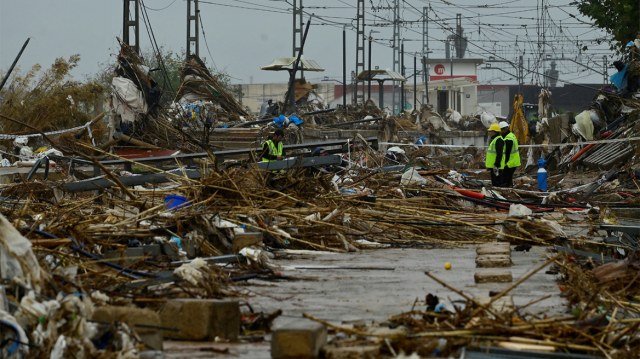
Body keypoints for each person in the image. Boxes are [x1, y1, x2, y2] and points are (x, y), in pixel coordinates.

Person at [499, 121, 520, 187]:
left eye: (501, 130)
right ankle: (510, 187)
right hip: (513, 161)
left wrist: (504, 164)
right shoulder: (511, 135)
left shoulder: (508, 139)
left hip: (510, 162)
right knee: (508, 178)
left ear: (505, 130)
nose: (500, 132)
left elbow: (507, 153)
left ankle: (507, 190)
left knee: (505, 178)